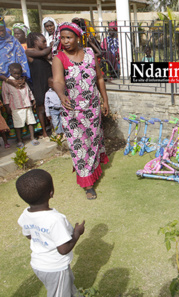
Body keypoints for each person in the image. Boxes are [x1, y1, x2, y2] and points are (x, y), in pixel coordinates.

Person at [52, 22, 109, 200]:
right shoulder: (59, 58)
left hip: (92, 109)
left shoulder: (90, 54)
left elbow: (99, 78)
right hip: (73, 112)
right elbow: (58, 81)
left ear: (78, 37)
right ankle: (88, 184)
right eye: (63, 38)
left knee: (93, 141)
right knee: (80, 147)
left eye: (69, 37)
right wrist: (62, 95)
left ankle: (93, 171)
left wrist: (104, 101)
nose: (66, 41)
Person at [16, 169, 85, 297]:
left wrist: (42, 236)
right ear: (51, 192)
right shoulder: (55, 219)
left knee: (66, 288)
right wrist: (77, 233)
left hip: (39, 264)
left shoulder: (25, 214)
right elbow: (63, 249)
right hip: (55, 267)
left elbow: (28, 235)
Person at [2, 63, 39, 148]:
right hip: (16, 107)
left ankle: (32, 137)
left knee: (30, 122)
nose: (17, 75)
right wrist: (7, 107)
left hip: (27, 104)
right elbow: (5, 96)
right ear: (10, 72)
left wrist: (32, 100)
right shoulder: (6, 83)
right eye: (15, 73)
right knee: (18, 124)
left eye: (19, 73)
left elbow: (28, 91)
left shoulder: (23, 80)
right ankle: (19, 140)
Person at [27, 32, 52, 139]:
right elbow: (45, 53)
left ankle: (53, 128)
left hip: (48, 82)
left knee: (51, 106)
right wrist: (51, 46)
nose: (45, 43)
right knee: (41, 108)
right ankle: (44, 132)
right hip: (39, 84)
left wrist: (48, 48)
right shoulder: (29, 52)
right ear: (36, 42)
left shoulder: (44, 51)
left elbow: (49, 55)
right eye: (43, 41)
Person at [0, 16, 31, 87]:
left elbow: (22, 60)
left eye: (3, 30)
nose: (1, 33)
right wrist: (8, 80)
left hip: (18, 80)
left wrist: (23, 78)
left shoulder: (13, 41)